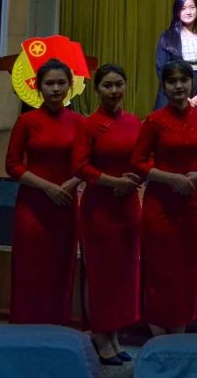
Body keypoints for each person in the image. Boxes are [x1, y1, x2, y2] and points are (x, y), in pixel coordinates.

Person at [134, 59, 197, 335]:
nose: (179, 86)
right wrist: (172, 179)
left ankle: (179, 333)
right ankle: (157, 336)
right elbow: (138, 162)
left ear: (192, 83)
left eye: (184, 80)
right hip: (160, 205)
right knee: (159, 268)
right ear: (164, 86)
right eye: (172, 81)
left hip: (191, 204)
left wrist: (196, 177)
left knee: (187, 269)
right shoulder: (154, 121)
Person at [4, 58, 83, 326]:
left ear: (70, 86)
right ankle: (25, 328)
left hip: (65, 204)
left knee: (61, 267)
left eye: (61, 83)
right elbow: (12, 165)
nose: (56, 89)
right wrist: (47, 187)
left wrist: (71, 184)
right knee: (30, 268)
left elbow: (86, 163)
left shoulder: (78, 122)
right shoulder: (26, 121)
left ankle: (57, 328)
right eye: (49, 83)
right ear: (39, 87)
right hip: (32, 206)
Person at [73, 64, 142, 364]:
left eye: (119, 84)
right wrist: (114, 182)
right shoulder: (88, 125)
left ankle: (114, 334)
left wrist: (136, 179)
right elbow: (80, 166)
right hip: (100, 208)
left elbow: (144, 159)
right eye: (107, 85)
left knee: (123, 273)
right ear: (97, 89)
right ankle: (100, 335)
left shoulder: (135, 122)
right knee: (100, 274)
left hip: (128, 206)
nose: (114, 91)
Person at [154, 0, 197, 111]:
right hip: (173, 94)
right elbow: (161, 68)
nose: (188, 12)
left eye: (192, 7)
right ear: (177, 12)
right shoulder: (167, 36)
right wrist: (181, 95)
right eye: (183, 8)